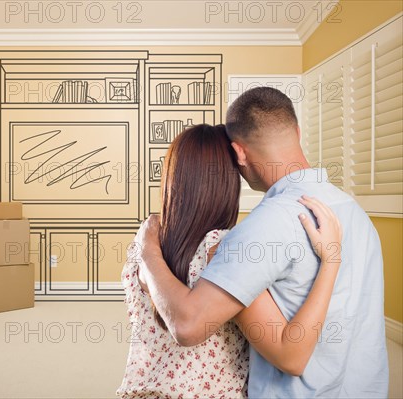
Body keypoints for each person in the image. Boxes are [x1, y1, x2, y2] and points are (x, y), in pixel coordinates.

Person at [135, 87, 389, 398]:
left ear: (238, 153)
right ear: (296, 131)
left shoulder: (265, 225)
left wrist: (147, 251)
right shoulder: (354, 212)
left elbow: (187, 326)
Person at [117, 124, 343, 398]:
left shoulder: (144, 244)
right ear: (227, 182)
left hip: (143, 391)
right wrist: (331, 259)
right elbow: (291, 355)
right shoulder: (222, 250)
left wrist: (147, 251)